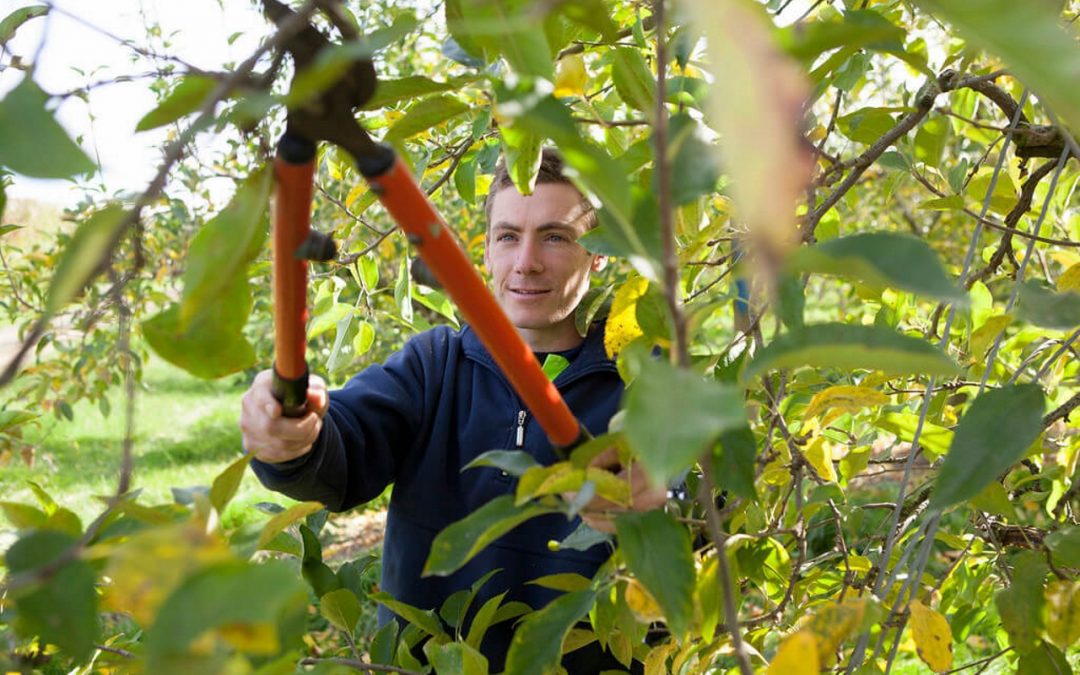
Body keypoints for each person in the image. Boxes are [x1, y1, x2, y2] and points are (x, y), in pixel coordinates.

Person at [240, 148, 665, 671]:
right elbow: (341, 449)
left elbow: (701, 513)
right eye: (508, 236)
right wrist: (291, 436)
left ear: (599, 252)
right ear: (486, 250)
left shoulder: (646, 379)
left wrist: (663, 497)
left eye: (555, 236)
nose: (525, 261)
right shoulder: (434, 366)